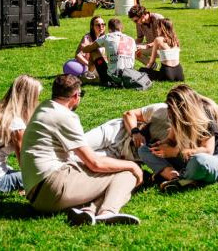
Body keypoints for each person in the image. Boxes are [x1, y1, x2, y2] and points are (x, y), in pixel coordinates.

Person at [21, 74, 142, 225]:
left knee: (106, 172)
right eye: (81, 94)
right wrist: (133, 165)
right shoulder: (65, 116)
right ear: (75, 95)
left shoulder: (44, 108)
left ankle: (88, 211)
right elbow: (94, 164)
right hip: (52, 188)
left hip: (36, 194)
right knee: (126, 173)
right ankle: (108, 212)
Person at [138, 84, 218, 191]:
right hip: (187, 159)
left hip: (215, 159)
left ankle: (188, 178)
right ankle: (175, 177)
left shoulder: (207, 112)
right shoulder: (174, 113)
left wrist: (175, 153)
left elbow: (207, 151)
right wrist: (162, 145)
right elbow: (171, 139)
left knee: (199, 161)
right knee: (143, 150)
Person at [84, 102, 170, 163]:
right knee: (74, 146)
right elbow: (129, 114)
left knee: (79, 160)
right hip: (115, 132)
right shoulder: (162, 109)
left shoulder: (180, 138)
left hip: (122, 155)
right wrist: (135, 132)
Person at [0, 75, 43, 193]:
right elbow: (24, 162)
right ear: (28, 98)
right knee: (42, 179)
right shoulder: (16, 124)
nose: (38, 101)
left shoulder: (3, 113)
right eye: (36, 97)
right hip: (1, 180)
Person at [81, 18, 136, 85]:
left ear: (109, 29)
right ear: (121, 28)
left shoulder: (106, 37)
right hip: (129, 75)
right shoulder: (131, 39)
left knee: (94, 50)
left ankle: (89, 75)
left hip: (113, 77)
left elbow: (87, 49)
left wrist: (85, 46)